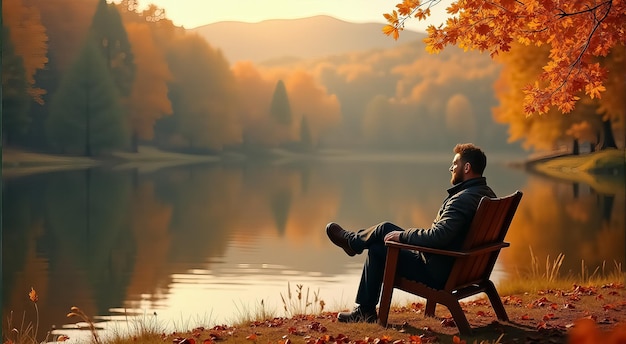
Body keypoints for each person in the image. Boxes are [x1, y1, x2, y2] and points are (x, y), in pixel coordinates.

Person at [326, 143, 496, 323]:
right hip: (462, 268)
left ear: (467, 167)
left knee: (383, 233)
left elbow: (439, 236)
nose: (451, 168)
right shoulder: (486, 194)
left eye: (454, 164)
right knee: (378, 246)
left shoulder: (462, 200)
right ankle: (364, 307)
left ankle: (354, 244)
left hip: (437, 271)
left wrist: (404, 235)